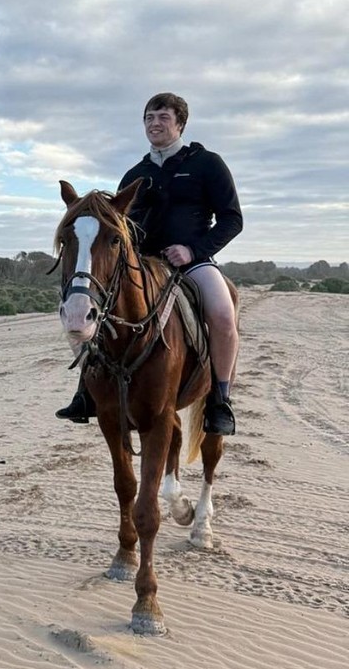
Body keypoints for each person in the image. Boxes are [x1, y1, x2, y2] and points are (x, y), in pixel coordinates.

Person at [56, 92, 242, 435]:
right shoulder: (135, 173)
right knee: (90, 309)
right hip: (141, 264)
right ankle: (86, 391)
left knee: (221, 313)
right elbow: (117, 227)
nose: (154, 124)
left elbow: (232, 220)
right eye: (149, 118)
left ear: (180, 124)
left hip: (193, 263)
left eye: (163, 118)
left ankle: (220, 399)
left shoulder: (207, 164)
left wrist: (192, 250)